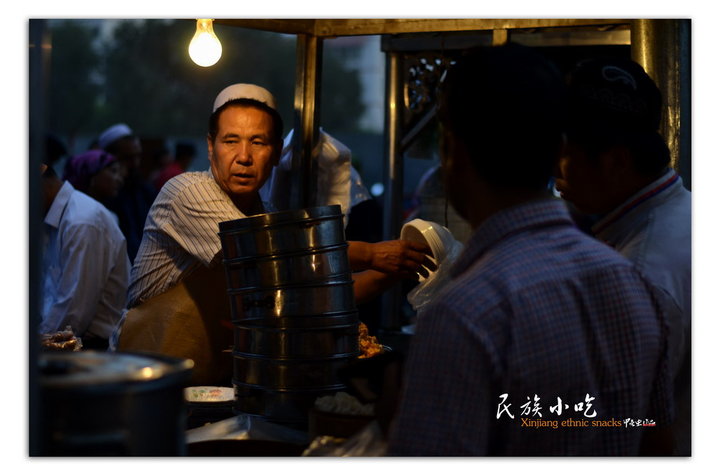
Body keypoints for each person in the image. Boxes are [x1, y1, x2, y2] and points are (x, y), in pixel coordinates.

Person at [386, 44, 674, 456]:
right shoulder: (632, 282)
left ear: (453, 152)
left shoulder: (465, 314)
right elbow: (659, 448)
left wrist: (392, 426)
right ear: (559, 153)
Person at [112, 83, 431, 385]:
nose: (244, 156)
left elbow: (314, 299)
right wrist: (371, 253)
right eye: (230, 140)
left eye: (258, 142)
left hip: (207, 382)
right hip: (142, 378)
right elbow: (258, 249)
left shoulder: (265, 218)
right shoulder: (187, 191)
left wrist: (397, 267)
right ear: (211, 147)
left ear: (277, 152)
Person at [554, 56, 691, 455]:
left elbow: (617, 428)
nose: (553, 169)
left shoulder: (639, 274)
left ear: (616, 160)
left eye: (564, 151)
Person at [40, 163, 131, 350]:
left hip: (96, 346)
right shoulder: (61, 217)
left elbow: (73, 314)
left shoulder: (81, 221)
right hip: (77, 341)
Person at [98, 123, 158, 263]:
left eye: (137, 157)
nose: (135, 164)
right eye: (127, 158)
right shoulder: (104, 195)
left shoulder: (144, 189)